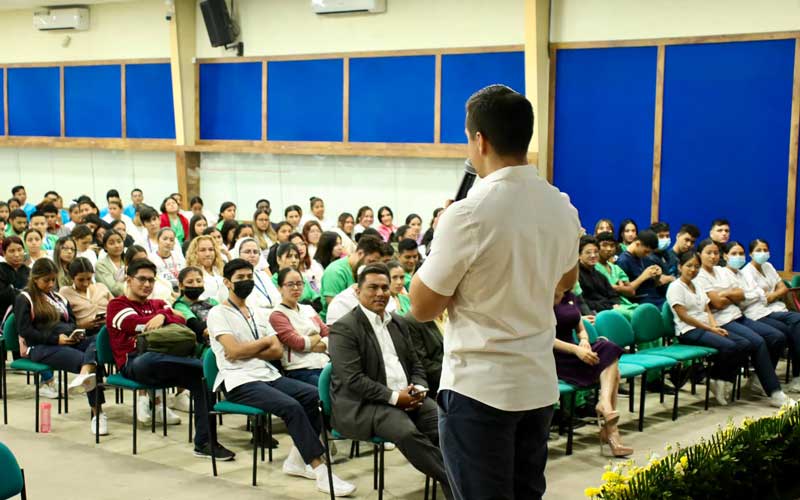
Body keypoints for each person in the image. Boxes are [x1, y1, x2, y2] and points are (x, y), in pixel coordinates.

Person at [410, 85, 580, 500]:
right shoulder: (562, 206)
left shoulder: (467, 213)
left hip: (479, 387)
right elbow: (567, 281)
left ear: (479, 140)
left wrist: (435, 248)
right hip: (537, 382)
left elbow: (421, 305)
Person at [207, 258, 355, 496]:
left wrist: (255, 345)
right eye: (240, 278)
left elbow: (275, 350)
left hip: (266, 373)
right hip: (239, 380)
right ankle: (320, 471)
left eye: (249, 277)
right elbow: (232, 352)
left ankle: (298, 460)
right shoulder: (218, 313)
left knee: (315, 396)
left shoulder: (257, 312)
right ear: (227, 282)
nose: (246, 282)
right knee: (290, 406)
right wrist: (261, 344)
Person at [330, 263, 450, 498]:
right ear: (357, 291)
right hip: (366, 404)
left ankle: (461, 479)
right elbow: (353, 380)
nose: (380, 293)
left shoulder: (398, 322)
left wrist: (418, 388)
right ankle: (456, 481)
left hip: (406, 395)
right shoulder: (344, 328)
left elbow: (415, 364)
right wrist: (396, 398)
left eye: (385, 288)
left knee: (447, 425)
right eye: (372, 287)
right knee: (407, 434)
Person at [106, 258, 233, 456]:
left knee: (202, 379)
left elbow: (180, 318)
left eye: (151, 280)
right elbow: (134, 324)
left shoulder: (157, 304)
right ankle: (200, 366)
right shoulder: (116, 305)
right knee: (152, 359)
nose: (147, 284)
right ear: (129, 280)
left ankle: (205, 442)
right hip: (135, 363)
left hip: (165, 361)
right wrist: (162, 315)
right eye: (142, 279)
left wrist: (164, 316)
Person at [694, 239, 791, 407]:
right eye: (708, 253)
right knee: (756, 342)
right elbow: (716, 303)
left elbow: (740, 294)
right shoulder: (699, 276)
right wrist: (728, 295)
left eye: (715, 253)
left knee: (776, 336)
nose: (713, 257)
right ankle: (775, 392)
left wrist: (725, 294)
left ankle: (756, 379)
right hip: (721, 320)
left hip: (738, 315)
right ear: (699, 255)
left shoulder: (721, 271)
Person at [16, 259, 107, 434]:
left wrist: (76, 334)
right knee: (88, 361)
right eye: (46, 280)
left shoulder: (58, 297)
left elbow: (71, 323)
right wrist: (56, 339)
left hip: (69, 340)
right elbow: (25, 331)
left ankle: (84, 373)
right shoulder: (25, 298)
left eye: (53, 280)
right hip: (42, 347)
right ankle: (98, 413)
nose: (51, 284)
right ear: (35, 279)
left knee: (99, 341)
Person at [553, 290, 629, 456]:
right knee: (613, 372)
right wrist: (576, 350)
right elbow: (544, 336)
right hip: (556, 356)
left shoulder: (570, 296)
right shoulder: (542, 294)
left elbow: (580, 328)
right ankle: (611, 432)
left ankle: (605, 405)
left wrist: (584, 340)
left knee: (609, 349)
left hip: (577, 350)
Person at [741, 238, 800, 392]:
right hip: (757, 312)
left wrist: (772, 295)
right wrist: (772, 295)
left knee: (794, 329)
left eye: (765, 250)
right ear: (751, 254)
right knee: (794, 324)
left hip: (774, 308)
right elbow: (762, 297)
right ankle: (764, 376)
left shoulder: (768, 266)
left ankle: (794, 376)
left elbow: (783, 288)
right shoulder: (746, 272)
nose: (763, 253)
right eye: (759, 250)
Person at [270, 267, 330, 386]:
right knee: (331, 391)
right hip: (300, 370)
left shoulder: (308, 309)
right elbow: (298, 343)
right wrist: (317, 337)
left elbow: (329, 334)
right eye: (290, 284)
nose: (296, 288)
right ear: (280, 288)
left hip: (324, 364)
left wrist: (310, 344)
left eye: (299, 283)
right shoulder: (277, 315)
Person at [320, 234, 384, 322]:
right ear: (360, 253)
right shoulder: (335, 271)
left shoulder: (364, 271)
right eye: (370, 261)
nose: (372, 266)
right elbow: (335, 307)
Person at [577, 236, 637, 319]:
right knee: (633, 316)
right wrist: (608, 306)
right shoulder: (577, 276)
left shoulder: (600, 275)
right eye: (588, 253)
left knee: (639, 310)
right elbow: (582, 302)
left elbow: (613, 294)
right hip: (597, 313)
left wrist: (615, 304)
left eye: (596, 252)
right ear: (579, 255)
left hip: (611, 308)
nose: (593, 255)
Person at [59, 257, 112, 335]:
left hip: (110, 327)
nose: (85, 283)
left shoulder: (101, 287)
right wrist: (80, 325)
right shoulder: (65, 292)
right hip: (87, 334)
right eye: (81, 280)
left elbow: (116, 307)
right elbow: (63, 322)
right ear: (72, 278)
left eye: (89, 279)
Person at [615, 230, 665, 307]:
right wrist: (643, 277)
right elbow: (624, 291)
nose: (647, 255)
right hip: (641, 301)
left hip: (654, 297)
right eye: (646, 251)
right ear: (638, 244)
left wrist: (657, 277)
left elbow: (652, 286)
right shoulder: (623, 261)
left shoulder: (643, 257)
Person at [236, 238, 281, 313]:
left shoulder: (263, 274)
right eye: (247, 252)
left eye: (255, 252)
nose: (252, 255)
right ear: (238, 254)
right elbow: (249, 306)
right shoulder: (236, 277)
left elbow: (278, 297)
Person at [272, 243, 320, 309]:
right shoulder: (273, 281)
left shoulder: (302, 278)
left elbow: (317, 302)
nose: (294, 260)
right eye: (289, 256)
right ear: (279, 259)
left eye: (296, 257)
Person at [184, 235, 228, 304]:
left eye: (211, 249)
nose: (208, 254)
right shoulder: (190, 274)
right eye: (202, 250)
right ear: (194, 253)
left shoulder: (220, 269)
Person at [95, 230, 127, 297]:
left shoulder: (128, 260)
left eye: (119, 241)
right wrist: (132, 290)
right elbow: (113, 288)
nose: (117, 246)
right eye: (111, 243)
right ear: (105, 247)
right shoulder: (101, 265)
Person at [646, 221, 678, 286]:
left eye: (667, 236)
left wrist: (671, 278)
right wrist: (671, 278)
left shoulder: (669, 255)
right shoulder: (647, 257)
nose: (665, 239)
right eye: (661, 236)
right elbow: (659, 281)